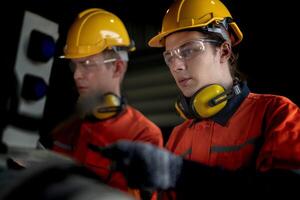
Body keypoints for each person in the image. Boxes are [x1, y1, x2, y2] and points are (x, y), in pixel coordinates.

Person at [96, 0, 300, 199]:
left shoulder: (277, 113)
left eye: (188, 50)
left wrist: (178, 173)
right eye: (170, 56)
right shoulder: (179, 136)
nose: (176, 65)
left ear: (224, 50)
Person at [50, 8, 163, 200]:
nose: (77, 75)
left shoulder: (144, 135)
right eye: (74, 65)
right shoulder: (66, 129)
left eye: (86, 64)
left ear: (117, 67)